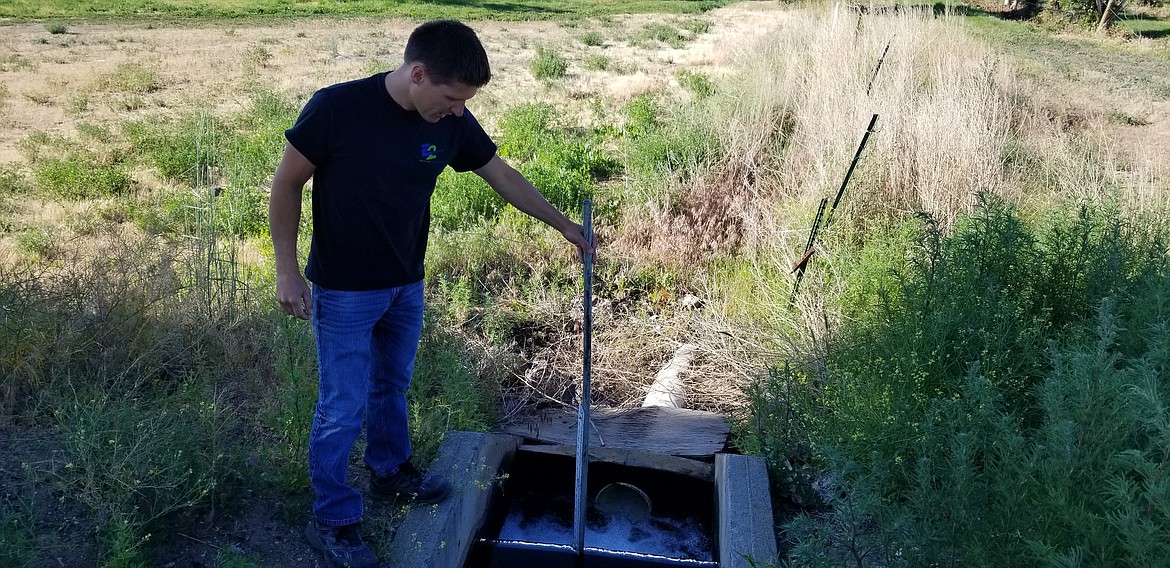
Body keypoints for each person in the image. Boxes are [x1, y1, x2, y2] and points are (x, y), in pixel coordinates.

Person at [268, 19, 593, 568]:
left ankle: (391, 472)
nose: (459, 110)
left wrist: (564, 226)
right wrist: (285, 269)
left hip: (406, 283)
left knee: (391, 386)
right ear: (417, 74)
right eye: (451, 97)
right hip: (344, 289)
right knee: (341, 407)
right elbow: (287, 183)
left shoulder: (448, 119)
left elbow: (502, 175)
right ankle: (333, 521)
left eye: (465, 101)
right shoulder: (336, 109)